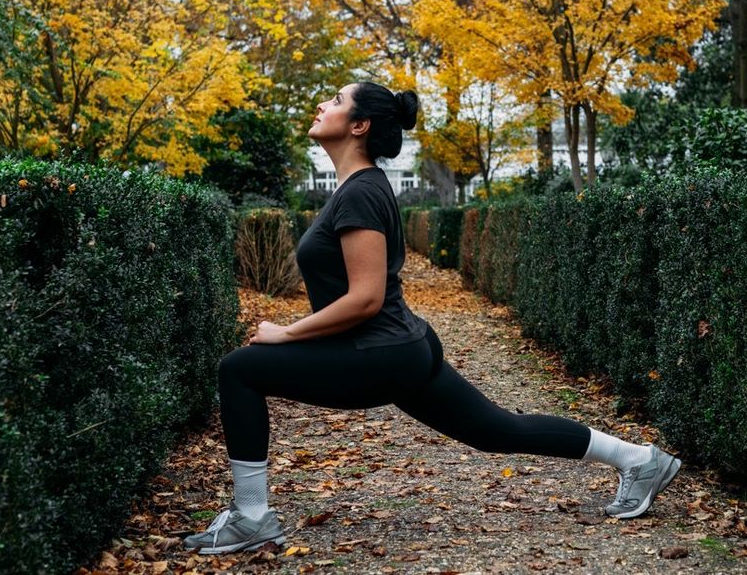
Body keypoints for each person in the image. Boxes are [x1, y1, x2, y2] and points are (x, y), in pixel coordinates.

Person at [183, 82, 681, 555]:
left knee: (240, 368)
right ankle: (639, 460)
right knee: (497, 430)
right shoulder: (360, 187)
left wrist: (286, 333)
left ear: (359, 126)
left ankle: (252, 517)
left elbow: (365, 300)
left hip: (381, 351)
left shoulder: (360, 193)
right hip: (399, 347)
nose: (322, 106)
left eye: (335, 100)